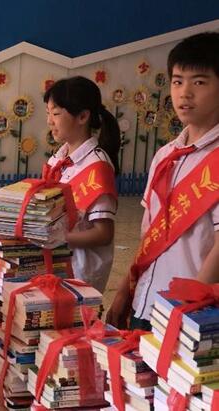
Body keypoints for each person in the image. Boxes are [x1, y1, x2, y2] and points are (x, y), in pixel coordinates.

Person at [107, 32, 219, 330]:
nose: (185, 93)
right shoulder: (165, 155)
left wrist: (188, 313)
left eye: (199, 82)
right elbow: (150, 233)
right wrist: (125, 288)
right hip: (145, 301)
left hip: (188, 316)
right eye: (177, 81)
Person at [43, 76, 121, 293]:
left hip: (79, 272)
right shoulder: (58, 159)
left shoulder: (97, 165)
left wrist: (58, 239)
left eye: (56, 114)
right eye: (48, 113)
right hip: (56, 263)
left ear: (83, 116)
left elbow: (103, 233)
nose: (49, 121)